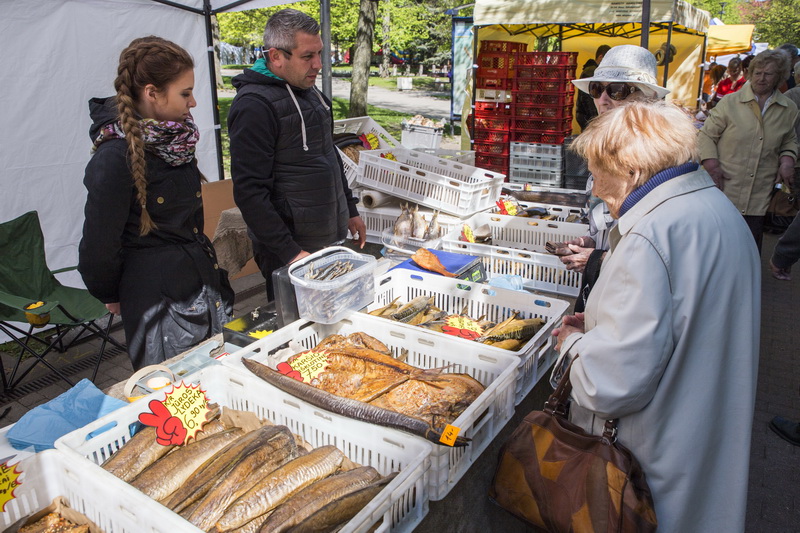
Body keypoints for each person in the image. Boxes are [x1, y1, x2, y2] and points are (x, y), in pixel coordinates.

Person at [552, 100, 760, 532]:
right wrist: (600, 327)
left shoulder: (649, 235)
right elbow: (682, 321)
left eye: (597, 172)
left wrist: (573, 344)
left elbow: (609, 386)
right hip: (699, 440)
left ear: (631, 171)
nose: (595, 188)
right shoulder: (715, 209)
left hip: (650, 465)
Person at [79, 36, 234, 370]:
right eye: (185, 93)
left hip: (199, 289)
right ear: (152, 93)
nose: (193, 102)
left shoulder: (175, 140)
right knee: (176, 390)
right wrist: (111, 293)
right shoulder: (114, 158)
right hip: (160, 306)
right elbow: (98, 245)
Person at [227, 9, 366, 300]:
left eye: (319, 53)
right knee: (297, 322)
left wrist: (350, 209)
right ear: (276, 56)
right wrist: (291, 252)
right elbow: (250, 192)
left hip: (326, 236)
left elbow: (329, 156)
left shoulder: (312, 94)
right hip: (289, 250)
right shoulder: (254, 106)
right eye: (307, 56)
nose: (318, 65)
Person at [562, 45, 670, 311]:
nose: (603, 99)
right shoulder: (604, 146)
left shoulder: (657, 160)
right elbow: (607, 225)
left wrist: (598, 260)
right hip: (603, 294)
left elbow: (650, 260)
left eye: (617, 90)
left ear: (648, 98)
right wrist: (591, 242)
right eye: (597, 89)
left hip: (629, 306)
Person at [698, 49, 799, 252]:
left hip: (760, 195)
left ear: (779, 76)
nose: (761, 78)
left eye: (768, 74)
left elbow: (789, 139)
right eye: (757, 73)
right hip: (725, 187)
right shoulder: (730, 102)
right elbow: (706, 135)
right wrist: (712, 164)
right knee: (716, 247)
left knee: (748, 249)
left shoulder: (788, 108)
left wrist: (787, 160)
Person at [574, 44, 610, 131]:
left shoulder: (590, 70)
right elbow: (588, 99)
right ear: (601, 57)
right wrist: (594, 119)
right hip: (588, 118)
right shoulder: (591, 72)